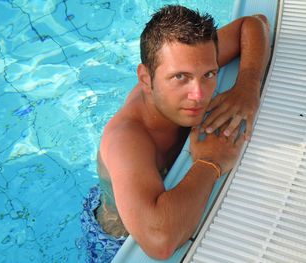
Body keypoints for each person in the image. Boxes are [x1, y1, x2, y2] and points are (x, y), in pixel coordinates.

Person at [81, 4, 270, 261]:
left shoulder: (193, 58)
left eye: (209, 74)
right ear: (146, 79)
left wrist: (247, 86)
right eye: (180, 77)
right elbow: (160, 243)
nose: (199, 95)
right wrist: (209, 162)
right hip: (118, 237)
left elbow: (253, 23)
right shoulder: (126, 138)